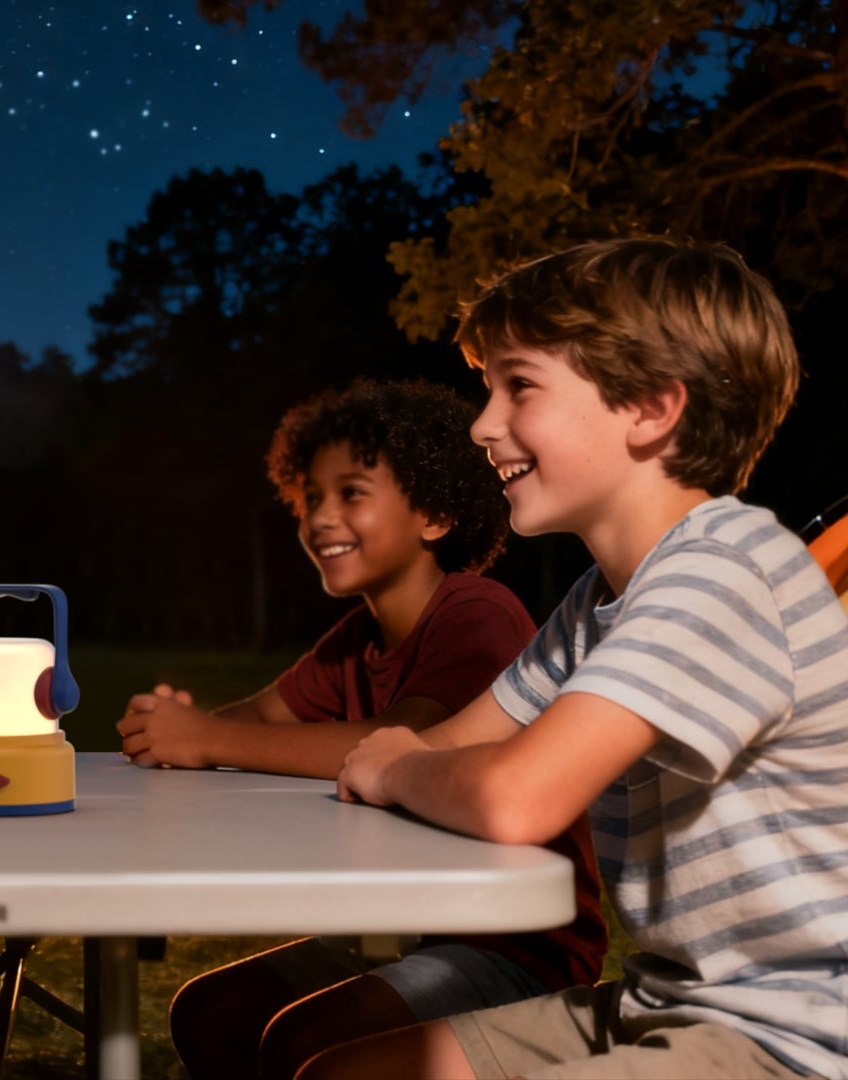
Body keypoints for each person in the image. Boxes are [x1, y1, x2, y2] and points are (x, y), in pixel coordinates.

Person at [320, 237, 848, 1080]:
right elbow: (451, 744)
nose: (482, 425)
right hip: (680, 1004)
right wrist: (406, 756)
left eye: (520, 387)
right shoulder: (600, 601)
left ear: (652, 409)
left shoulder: (724, 573)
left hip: (831, 1042)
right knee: (337, 1068)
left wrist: (396, 769)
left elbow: (512, 797)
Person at [119, 379, 608, 1080]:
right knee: (210, 1013)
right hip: (406, 924)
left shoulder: (477, 613)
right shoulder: (357, 639)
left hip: (514, 947)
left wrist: (203, 739)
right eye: (310, 498)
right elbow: (257, 718)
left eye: (350, 493)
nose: (319, 518)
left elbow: (401, 743)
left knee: (302, 1043)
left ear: (435, 514)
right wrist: (170, 729)